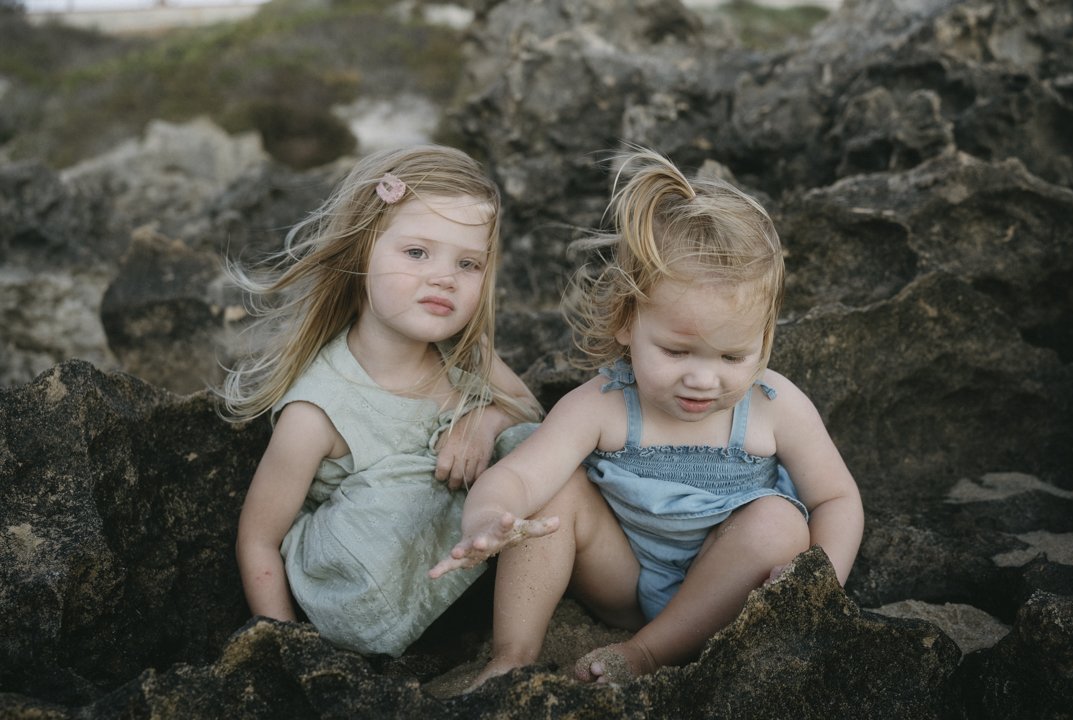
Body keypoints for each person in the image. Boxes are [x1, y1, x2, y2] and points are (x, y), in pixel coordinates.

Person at [429, 147, 863, 686]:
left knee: (780, 524)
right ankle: (512, 655)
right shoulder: (605, 403)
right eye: (677, 352)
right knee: (552, 493)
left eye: (733, 357)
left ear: (765, 339)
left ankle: (647, 654)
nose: (704, 379)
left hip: (729, 582)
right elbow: (521, 474)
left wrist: (822, 583)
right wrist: (489, 519)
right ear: (626, 323)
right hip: (622, 579)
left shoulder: (775, 406)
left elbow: (836, 499)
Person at [223, 144, 543, 657]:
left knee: (528, 445)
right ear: (362, 253)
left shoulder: (465, 352)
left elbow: (531, 413)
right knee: (402, 494)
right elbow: (258, 538)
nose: (444, 278)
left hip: (455, 565)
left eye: (468, 263)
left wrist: (482, 422)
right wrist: (282, 647)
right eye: (417, 252)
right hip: (366, 589)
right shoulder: (317, 412)